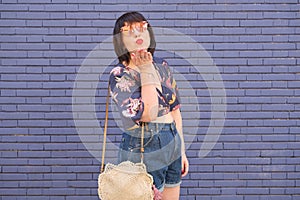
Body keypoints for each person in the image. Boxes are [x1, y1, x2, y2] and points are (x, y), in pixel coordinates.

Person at [109, 11, 189, 200]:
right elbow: (148, 115)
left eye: (142, 29)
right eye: (129, 31)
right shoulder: (120, 74)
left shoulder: (162, 66)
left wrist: (181, 149)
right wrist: (145, 70)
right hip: (143, 145)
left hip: (172, 138)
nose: (137, 35)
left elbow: (175, 110)